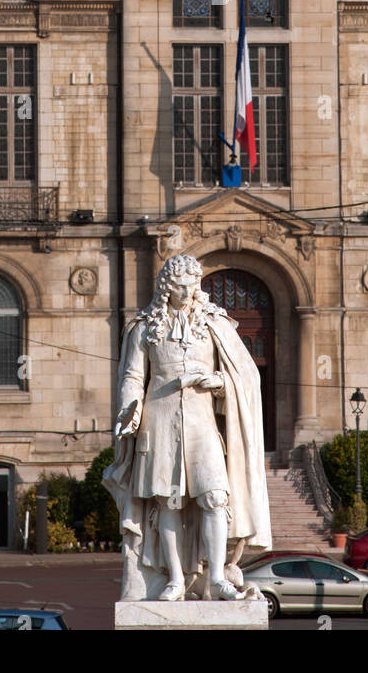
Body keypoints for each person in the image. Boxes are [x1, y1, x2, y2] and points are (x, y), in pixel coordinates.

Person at [104, 253, 271, 601]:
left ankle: (215, 578)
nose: (186, 291)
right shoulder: (144, 327)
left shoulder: (215, 324)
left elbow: (246, 376)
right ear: (166, 286)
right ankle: (176, 578)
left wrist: (218, 382)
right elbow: (133, 377)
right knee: (167, 502)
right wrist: (129, 411)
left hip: (202, 423)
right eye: (179, 286)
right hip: (158, 421)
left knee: (214, 496)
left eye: (192, 285)